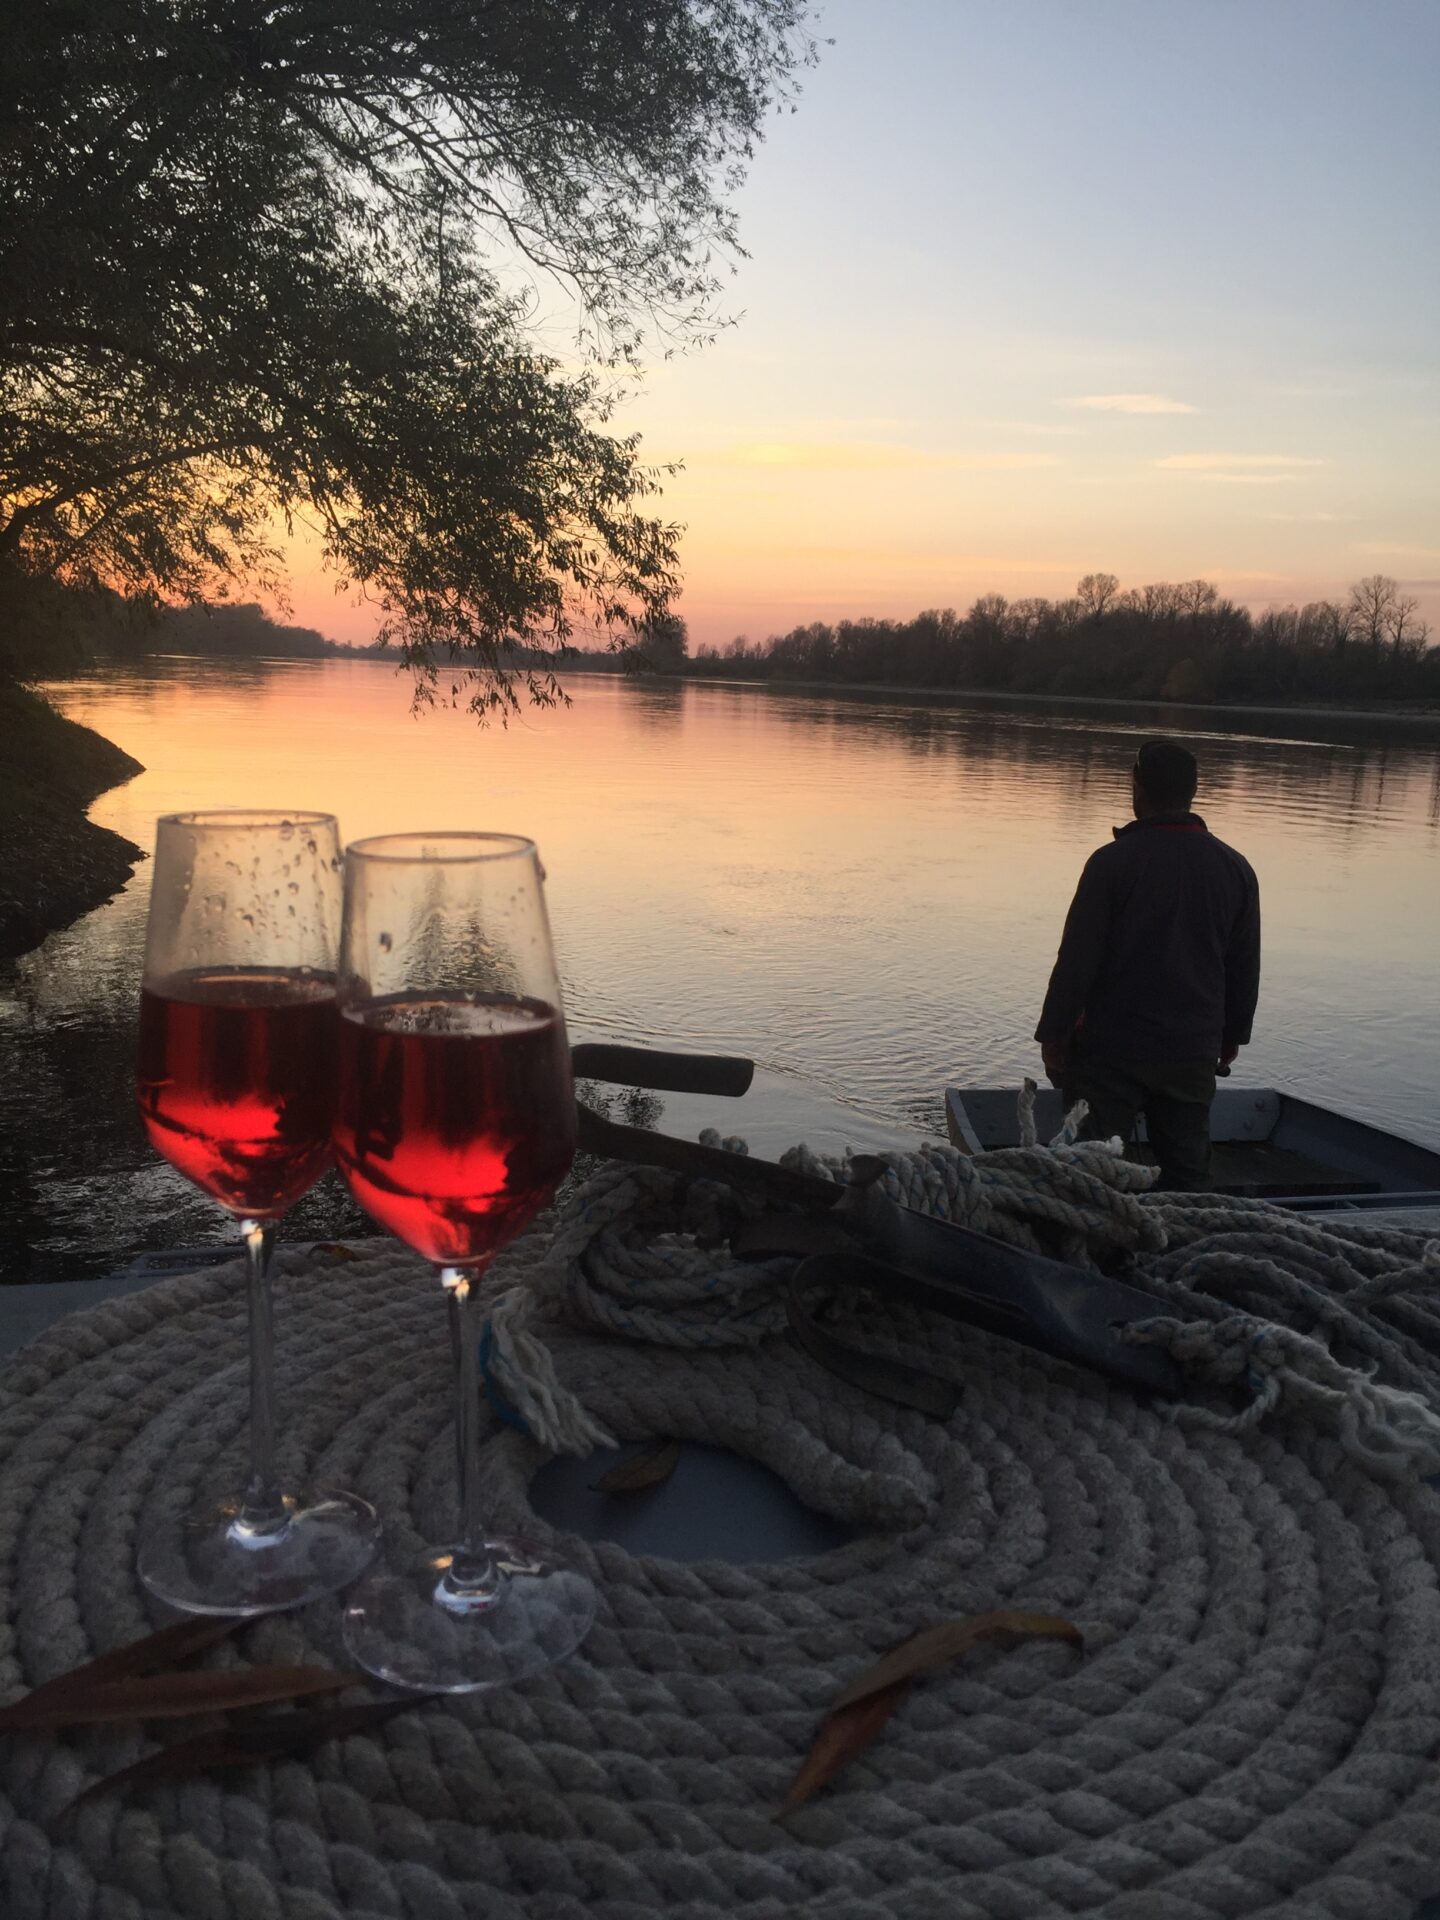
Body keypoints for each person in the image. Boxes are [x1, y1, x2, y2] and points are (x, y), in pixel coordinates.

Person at [1034, 738, 1260, 1190]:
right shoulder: (1236, 868)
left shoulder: (1110, 863)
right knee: (1188, 1177)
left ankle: (1092, 1229)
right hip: (1193, 1051)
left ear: (1136, 786)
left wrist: (1053, 1035)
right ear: (1193, 791)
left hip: (1111, 1052)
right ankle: (1186, 1231)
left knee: (1091, 1173)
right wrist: (1233, 1034)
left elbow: (1076, 960)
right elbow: (1244, 964)